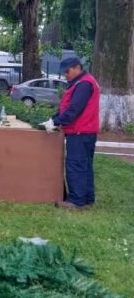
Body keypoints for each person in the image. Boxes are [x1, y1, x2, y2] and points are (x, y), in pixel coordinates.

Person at [41, 56, 100, 210]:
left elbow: (74, 110)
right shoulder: (81, 83)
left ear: (77, 68)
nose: (65, 75)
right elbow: (67, 109)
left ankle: (76, 201)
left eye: (67, 71)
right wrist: (53, 119)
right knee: (85, 165)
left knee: (75, 165)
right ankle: (87, 198)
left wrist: (56, 122)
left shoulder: (84, 84)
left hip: (80, 132)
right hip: (86, 131)